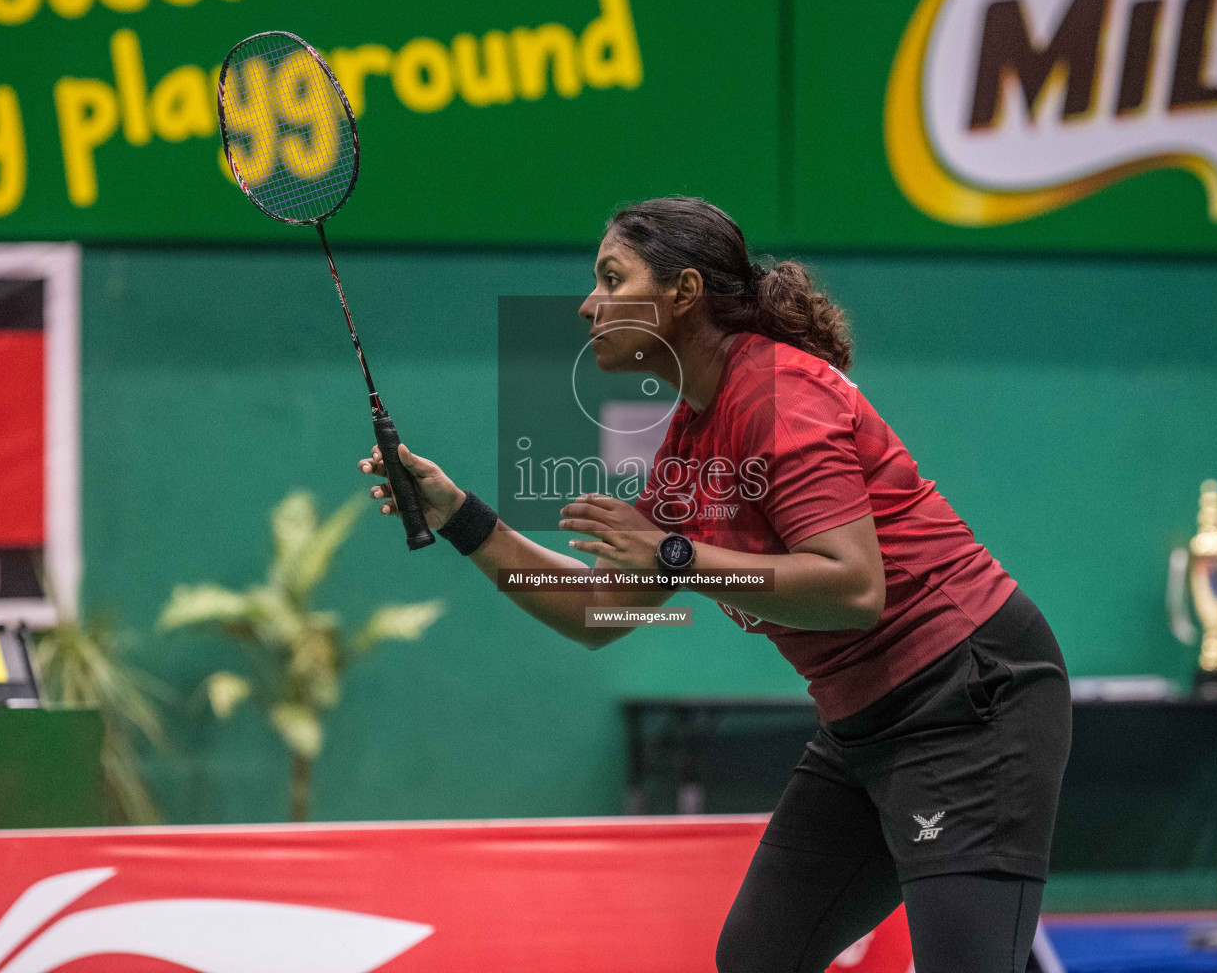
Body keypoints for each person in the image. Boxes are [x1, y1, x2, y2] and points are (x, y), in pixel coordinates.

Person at [361, 196, 1071, 973]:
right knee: (758, 956)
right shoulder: (692, 438)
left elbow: (853, 586)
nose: (587, 304)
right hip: (864, 723)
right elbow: (599, 610)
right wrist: (458, 514)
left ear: (684, 294)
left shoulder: (779, 396)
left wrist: (673, 555)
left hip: (968, 698)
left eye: (611, 277)